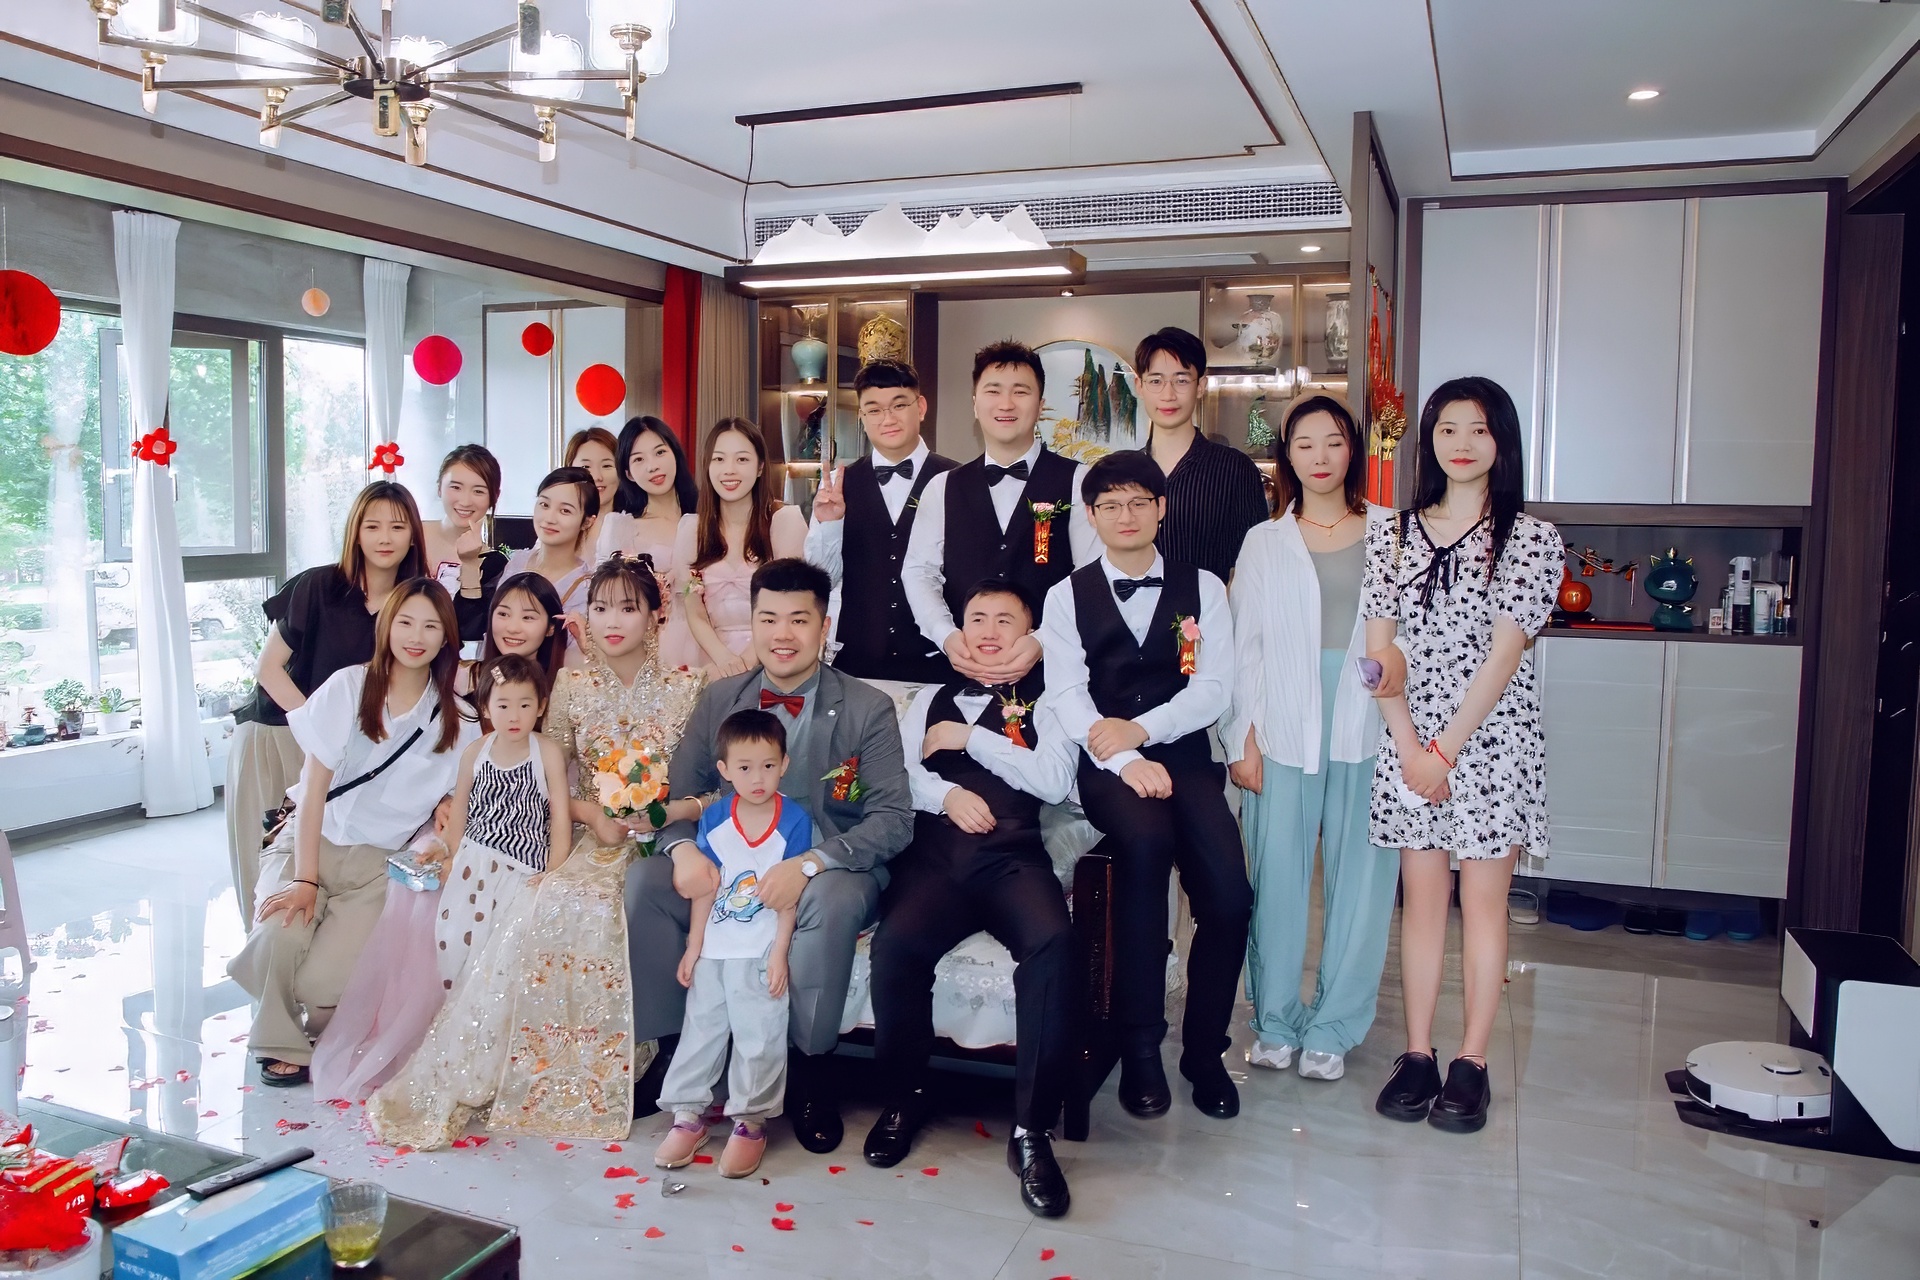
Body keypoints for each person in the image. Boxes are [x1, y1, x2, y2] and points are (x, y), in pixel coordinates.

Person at [369, 557, 707, 1147]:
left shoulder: (689, 688)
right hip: (595, 839)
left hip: (668, 839)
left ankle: (646, 1051)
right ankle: (538, 1064)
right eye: (599, 608)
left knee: (604, 907)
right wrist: (594, 816)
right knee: (544, 903)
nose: (611, 621)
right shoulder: (572, 688)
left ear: (657, 616)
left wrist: (667, 813)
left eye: (628, 608)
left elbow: (712, 782)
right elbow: (552, 784)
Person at [628, 558, 912, 1154]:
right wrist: (682, 849)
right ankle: (679, 1054)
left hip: (827, 865)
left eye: (799, 620)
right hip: (730, 863)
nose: (783, 634)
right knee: (648, 882)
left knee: (833, 899)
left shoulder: (867, 707)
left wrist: (810, 864)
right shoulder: (719, 699)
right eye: (769, 618)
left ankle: (811, 1073)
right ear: (752, 623)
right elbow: (678, 796)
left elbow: (893, 819)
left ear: (824, 627)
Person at [1365, 376, 1561, 1135]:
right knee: (1420, 904)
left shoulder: (1531, 538)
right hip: (1410, 742)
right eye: (1447, 428)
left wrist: (1442, 753)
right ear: (1429, 441)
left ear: (1502, 441)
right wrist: (1410, 748)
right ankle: (1417, 1053)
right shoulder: (1392, 533)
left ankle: (1472, 1061)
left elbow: (1504, 657)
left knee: (1482, 904)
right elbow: (1378, 655)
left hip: (1491, 742)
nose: (1462, 443)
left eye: (1479, 429)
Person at [1038, 451, 1248, 1120]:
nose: (1124, 516)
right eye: (1110, 505)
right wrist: (1126, 758)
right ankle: (1140, 1050)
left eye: (1138, 503)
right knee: (1145, 850)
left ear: (1161, 508)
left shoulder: (1204, 586)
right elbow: (1067, 695)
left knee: (1229, 898)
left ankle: (1205, 1053)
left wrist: (1143, 731)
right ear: (1091, 515)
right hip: (1106, 767)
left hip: (1184, 756)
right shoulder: (1065, 595)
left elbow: (1213, 688)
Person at [865, 578, 1080, 1219]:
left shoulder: (1053, 698)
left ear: (1029, 632)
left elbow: (1054, 780)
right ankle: (904, 1098)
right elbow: (899, 775)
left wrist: (972, 741)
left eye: (1004, 620)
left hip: (1011, 859)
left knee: (1054, 942)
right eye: (977, 618)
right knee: (896, 946)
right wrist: (949, 795)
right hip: (935, 859)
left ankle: (1031, 1130)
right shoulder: (929, 699)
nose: (988, 630)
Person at [229, 577, 478, 1087]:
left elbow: (461, 795)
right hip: (311, 841)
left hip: (375, 866)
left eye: (431, 626)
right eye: (405, 622)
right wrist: (305, 878)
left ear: (446, 638)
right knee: (277, 937)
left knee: (326, 981)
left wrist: (449, 803)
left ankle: (313, 1014)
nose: (416, 636)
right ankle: (279, 1037)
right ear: (386, 627)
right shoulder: (347, 687)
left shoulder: (460, 721)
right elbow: (313, 791)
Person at [1225, 396, 1395, 1083]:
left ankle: (1334, 1026)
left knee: (1363, 882)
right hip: (1283, 723)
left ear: (1353, 449)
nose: (1320, 457)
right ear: (1286, 457)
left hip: (1369, 721)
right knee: (1276, 878)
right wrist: (1242, 738)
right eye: (1304, 444)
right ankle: (1274, 1021)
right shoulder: (1264, 541)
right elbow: (1244, 648)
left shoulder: (1392, 532)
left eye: (1333, 441)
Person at [227, 482, 428, 926]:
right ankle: (261, 955)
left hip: (345, 752)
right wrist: (317, 735)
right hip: (278, 733)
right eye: (372, 526)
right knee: (267, 867)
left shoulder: (414, 603)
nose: (385, 538)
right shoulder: (319, 585)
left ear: (413, 535)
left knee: (318, 865)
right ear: (355, 532)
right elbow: (269, 668)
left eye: (397, 527)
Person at [653, 710, 813, 1179]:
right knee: (700, 1031)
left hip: (760, 948)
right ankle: (688, 1116)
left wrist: (779, 952)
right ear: (724, 770)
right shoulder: (717, 817)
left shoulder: (794, 819)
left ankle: (750, 1121)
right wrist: (694, 946)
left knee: (758, 1035)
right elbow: (706, 886)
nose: (757, 778)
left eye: (768, 766)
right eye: (744, 767)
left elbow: (789, 894)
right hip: (716, 947)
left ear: (784, 764)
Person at [902, 341, 1100, 687]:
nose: (1006, 404)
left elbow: (1092, 575)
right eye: (993, 391)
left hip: (1056, 677)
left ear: (1040, 405)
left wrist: (1043, 641)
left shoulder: (1080, 481)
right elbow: (919, 573)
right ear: (975, 404)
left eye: (1020, 392)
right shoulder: (942, 487)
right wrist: (946, 635)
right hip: (961, 676)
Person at [804, 359, 957, 683]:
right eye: (873, 410)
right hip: (856, 665)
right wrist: (830, 524)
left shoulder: (957, 480)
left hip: (939, 663)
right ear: (861, 417)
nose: (887, 419)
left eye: (898, 405)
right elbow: (821, 580)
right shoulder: (838, 485)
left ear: (920, 407)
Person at [432, 654, 572, 987]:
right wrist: (449, 851)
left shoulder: (547, 753)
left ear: (541, 706)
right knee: (456, 938)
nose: (514, 716)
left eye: (525, 705)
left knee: (504, 953)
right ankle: (459, 1002)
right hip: (474, 858)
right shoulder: (475, 753)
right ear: (485, 707)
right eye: (503, 705)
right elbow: (461, 810)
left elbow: (560, 816)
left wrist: (553, 871)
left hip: (523, 865)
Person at [308, 793, 455, 1101]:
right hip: (464, 820)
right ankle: (408, 1024)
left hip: (523, 827)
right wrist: (443, 802)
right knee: (423, 872)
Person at [671, 418, 808, 676]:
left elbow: (788, 605)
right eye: (719, 459)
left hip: (776, 657)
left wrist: (745, 664)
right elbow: (694, 610)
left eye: (742, 459)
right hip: (713, 659)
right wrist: (725, 662)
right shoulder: (693, 530)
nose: (729, 470)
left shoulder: (784, 522)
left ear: (760, 467)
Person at [1134, 327, 1270, 583]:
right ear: (1139, 386)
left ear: (1201, 386)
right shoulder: (1125, 472)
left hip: (1210, 608)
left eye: (1181, 380)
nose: (1168, 395)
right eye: (1156, 381)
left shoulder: (1234, 469)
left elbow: (1255, 564)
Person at [611, 416, 704, 670]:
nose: (652, 466)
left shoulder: (709, 520)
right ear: (628, 473)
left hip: (711, 640)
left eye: (660, 452)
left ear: (675, 453)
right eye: (639, 459)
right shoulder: (624, 528)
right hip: (649, 647)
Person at [501, 467, 600, 665]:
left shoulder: (588, 588)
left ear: (587, 522)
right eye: (544, 505)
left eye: (565, 511)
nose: (549, 518)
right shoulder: (516, 562)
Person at [419, 444, 510, 632]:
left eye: (478, 491)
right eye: (456, 487)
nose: (465, 501)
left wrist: (470, 566)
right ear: (439, 487)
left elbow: (472, 632)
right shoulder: (409, 537)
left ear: (494, 497)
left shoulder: (496, 565)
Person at [459, 572, 568, 705]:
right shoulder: (466, 679)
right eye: (503, 614)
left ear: (551, 628)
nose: (512, 628)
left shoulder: (564, 687)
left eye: (527, 617)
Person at [564, 427, 624, 564]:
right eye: (586, 467)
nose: (597, 476)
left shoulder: (634, 527)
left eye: (607, 466)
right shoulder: (559, 524)